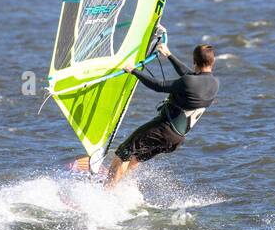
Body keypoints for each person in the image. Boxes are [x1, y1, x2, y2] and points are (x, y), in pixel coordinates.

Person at [73, 41, 219, 187]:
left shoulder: (189, 81)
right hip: (176, 139)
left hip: (163, 129)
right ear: (213, 61)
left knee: (123, 153)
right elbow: (190, 76)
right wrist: (169, 55)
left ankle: (107, 193)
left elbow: (158, 86)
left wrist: (134, 71)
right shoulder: (214, 83)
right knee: (135, 157)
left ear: (194, 61)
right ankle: (122, 188)